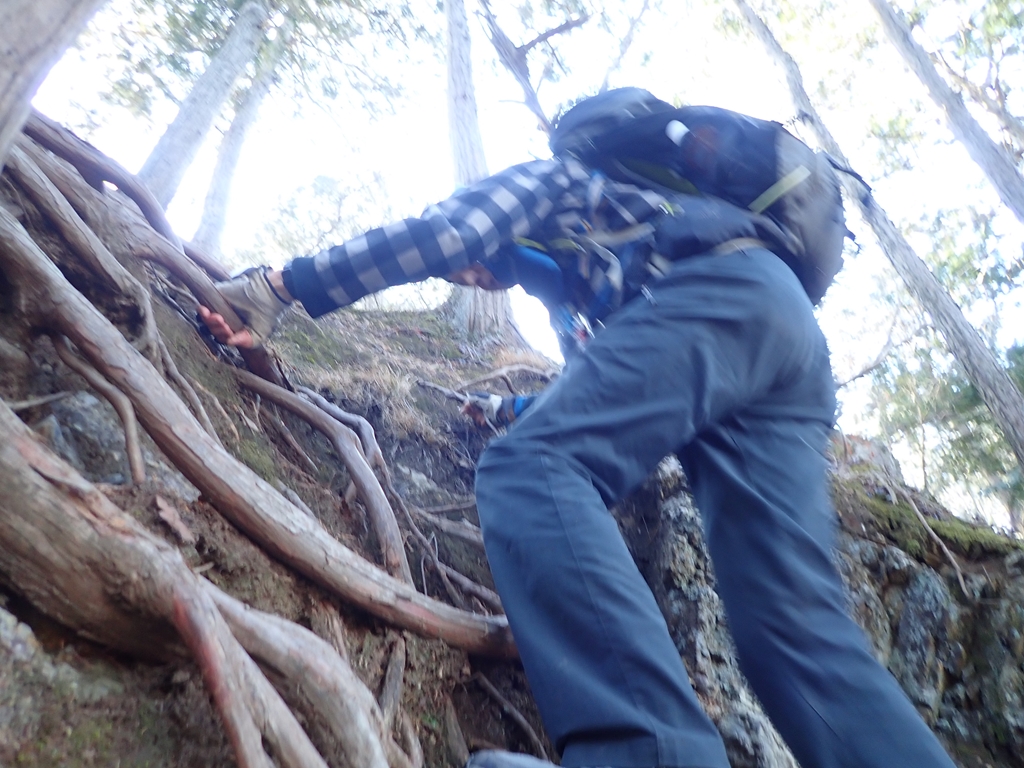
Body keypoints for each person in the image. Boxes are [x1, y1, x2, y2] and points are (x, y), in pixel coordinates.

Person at [200, 89, 958, 768]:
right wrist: (505, 411)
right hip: (787, 340)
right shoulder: (606, 270)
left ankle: (645, 753)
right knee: (793, 633)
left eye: (472, 270)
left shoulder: (557, 183)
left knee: (530, 471)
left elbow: (438, 235)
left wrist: (281, 287)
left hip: (727, 294)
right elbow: (610, 393)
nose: (465, 277)